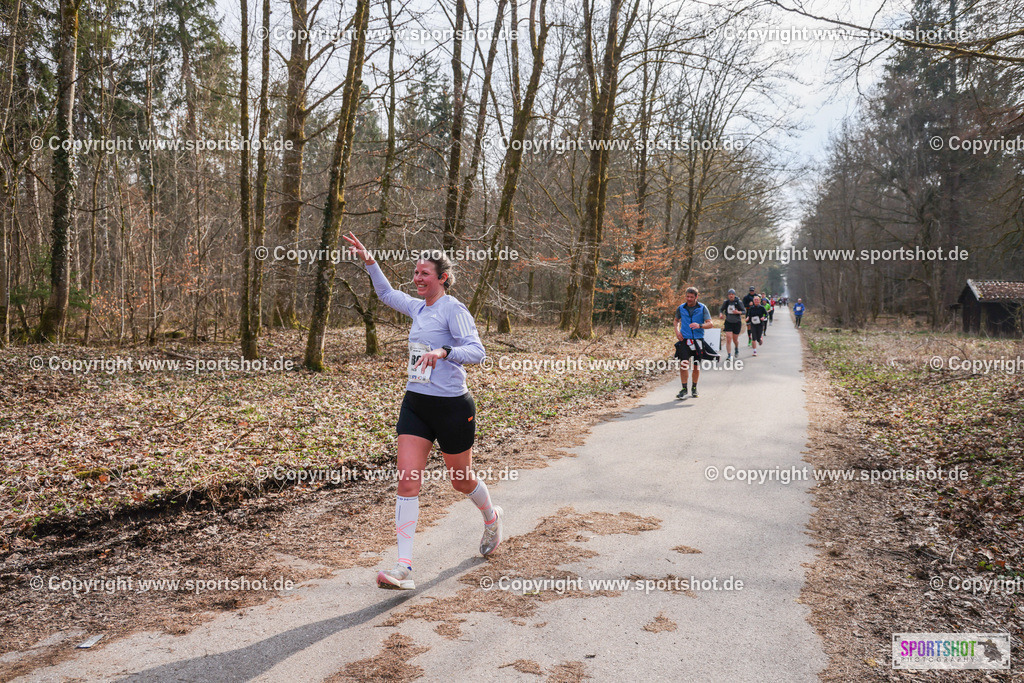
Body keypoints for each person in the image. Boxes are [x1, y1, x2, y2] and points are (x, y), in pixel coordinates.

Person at [342, 232, 500, 591]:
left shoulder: (453, 309)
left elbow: (477, 351)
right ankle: (403, 566)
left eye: (424, 274)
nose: (417, 279)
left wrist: (445, 352)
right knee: (408, 479)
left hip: (452, 407)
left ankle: (491, 517)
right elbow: (385, 294)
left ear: (442, 277)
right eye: (415, 273)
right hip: (416, 403)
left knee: (460, 480)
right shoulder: (417, 307)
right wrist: (370, 261)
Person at [674, 286, 714, 399]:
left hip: (698, 340)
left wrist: (700, 325)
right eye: (687, 296)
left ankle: (694, 388)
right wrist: (677, 331)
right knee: (683, 364)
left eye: (691, 297)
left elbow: (710, 324)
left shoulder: (702, 308)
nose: (689, 299)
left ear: (696, 297)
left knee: (696, 366)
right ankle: (684, 388)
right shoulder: (681, 308)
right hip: (685, 340)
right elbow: (676, 320)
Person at [718, 289, 745, 360]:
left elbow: (744, 311)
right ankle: (729, 355)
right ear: (728, 295)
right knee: (728, 338)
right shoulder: (726, 302)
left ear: (734, 295)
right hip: (728, 322)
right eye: (730, 294)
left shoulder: (738, 302)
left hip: (737, 323)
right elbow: (721, 309)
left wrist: (738, 312)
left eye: (732, 294)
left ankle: (736, 348)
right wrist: (721, 314)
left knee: (735, 340)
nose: (731, 295)